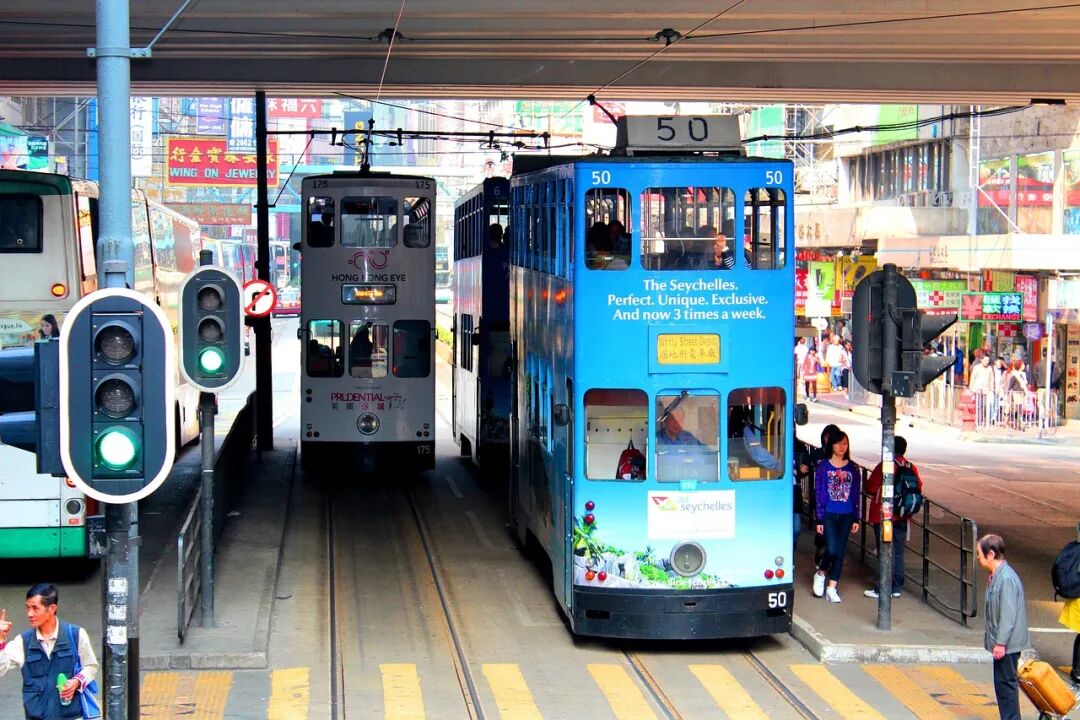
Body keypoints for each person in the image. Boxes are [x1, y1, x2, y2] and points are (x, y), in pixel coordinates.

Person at [0, 583, 99, 720]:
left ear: (52, 609)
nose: (30, 614)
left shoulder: (76, 635)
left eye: (35, 608)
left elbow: (91, 666)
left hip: (72, 716)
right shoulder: (23, 641)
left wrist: (76, 681)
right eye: (27, 608)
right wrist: (0, 640)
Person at [977, 534, 1030, 720]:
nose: (978, 558)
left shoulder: (1006, 579)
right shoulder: (997, 577)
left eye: (979, 554)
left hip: (1007, 645)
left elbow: (1008, 615)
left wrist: (1000, 643)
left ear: (990, 554)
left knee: (1006, 685)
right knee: (1002, 684)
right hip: (1004, 644)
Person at [863, 436, 922, 599]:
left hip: (884, 515)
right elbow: (919, 486)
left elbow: (870, 487)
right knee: (898, 552)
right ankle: (896, 587)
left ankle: (881, 587)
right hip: (903, 516)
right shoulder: (911, 466)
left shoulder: (885, 466)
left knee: (884, 550)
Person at [812, 432, 860, 603]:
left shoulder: (853, 468)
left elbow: (856, 494)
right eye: (838, 443)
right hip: (829, 513)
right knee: (831, 549)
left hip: (847, 514)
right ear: (831, 445)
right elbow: (818, 492)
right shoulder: (824, 467)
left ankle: (832, 587)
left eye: (845, 443)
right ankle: (821, 573)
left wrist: (856, 517)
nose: (842, 447)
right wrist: (819, 518)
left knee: (840, 552)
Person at [969, 354, 995, 424]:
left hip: (986, 391)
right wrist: (971, 389)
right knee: (978, 406)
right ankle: (978, 420)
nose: (987, 362)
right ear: (981, 360)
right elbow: (972, 379)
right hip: (977, 390)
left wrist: (991, 388)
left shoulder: (989, 368)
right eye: (985, 360)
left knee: (984, 406)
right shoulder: (976, 368)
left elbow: (991, 379)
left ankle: (983, 420)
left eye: (988, 361)